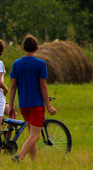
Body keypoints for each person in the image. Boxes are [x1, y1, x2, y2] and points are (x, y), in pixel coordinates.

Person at [7, 34, 56, 162]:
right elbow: (43, 86)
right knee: (35, 135)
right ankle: (20, 157)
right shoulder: (40, 64)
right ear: (37, 48)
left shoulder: (16, 64)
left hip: (23, 104)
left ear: (24, 48)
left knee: (31, 135)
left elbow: (12, 87)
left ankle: (34, 163)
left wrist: (11, 105)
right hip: (36, 104)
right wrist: (48, 105)